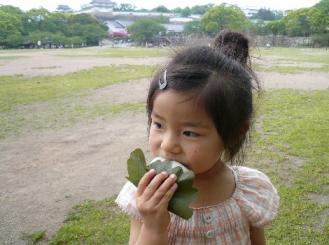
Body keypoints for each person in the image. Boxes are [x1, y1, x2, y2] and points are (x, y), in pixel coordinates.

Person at [116, 30, 279, 245]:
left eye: (189, 133)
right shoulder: (145, 193)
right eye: (158, 124)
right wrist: (153, 226)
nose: (168, 145)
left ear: (235, 133)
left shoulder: (248, 191)